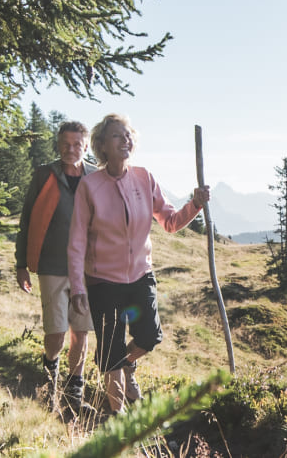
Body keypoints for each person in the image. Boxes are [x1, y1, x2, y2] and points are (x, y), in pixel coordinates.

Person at [67, 113, 210, 415]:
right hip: (102, 282)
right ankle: (118, 418)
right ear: (102, 146)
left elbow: (170, 222)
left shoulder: (145, 178)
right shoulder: (89, 187)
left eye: (128, 134)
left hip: (140, 276)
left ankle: (128, 365)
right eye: (118, 135)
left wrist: (195, 204)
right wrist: (78, 288)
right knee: (110, 354)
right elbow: (77, 242)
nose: (126, 140)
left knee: (149, 337)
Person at [15, 120, 97, 413]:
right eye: (65, 144)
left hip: (88, 269)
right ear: (57, 145)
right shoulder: (44, 175)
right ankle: (50, 376)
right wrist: (21, 263)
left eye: (76, 144)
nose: (70, 149)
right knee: (56, 333)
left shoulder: (96, 177)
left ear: (86, 146)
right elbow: (27, 220)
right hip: (51, 265)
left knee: (81, 332)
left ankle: (74, 394)